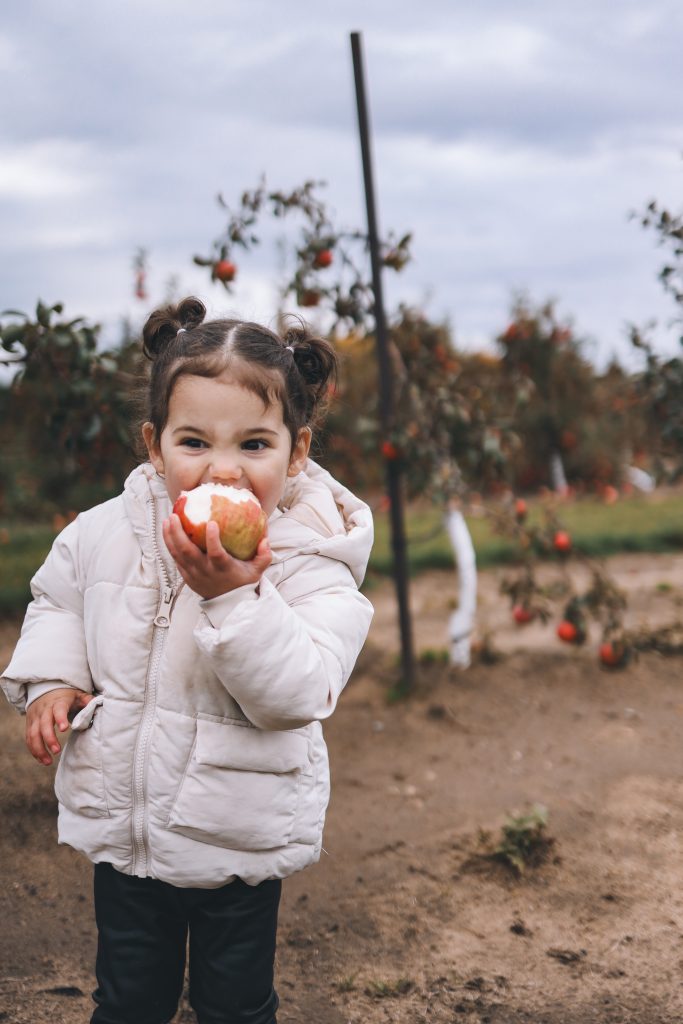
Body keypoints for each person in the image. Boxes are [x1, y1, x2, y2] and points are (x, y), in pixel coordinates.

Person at [1, 296, 374, 1024]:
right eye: (194, 442)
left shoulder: (310, 561)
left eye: (254, 445)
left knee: (232, 1004)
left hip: (236, 839)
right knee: (127, 999)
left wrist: (234, 599)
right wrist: (52, 679)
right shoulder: (104, 530)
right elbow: (60, 601)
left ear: (298, 451)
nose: (222, 472)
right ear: (154, 443)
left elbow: (299, 690)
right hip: (126, 829)